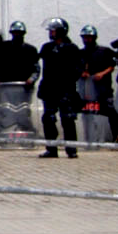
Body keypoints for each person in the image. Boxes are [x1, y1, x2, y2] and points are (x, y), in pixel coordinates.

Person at [36, 18, 82, 158]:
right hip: (49, 89)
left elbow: (77, 69)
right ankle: (51, 149)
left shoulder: (71, 48)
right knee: (48, 118)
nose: (51, 32)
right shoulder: (47, 47)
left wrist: (69, 83)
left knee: (67, 119)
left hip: (65, 89)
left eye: (53, 30)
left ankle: (71, 149)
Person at [77, 25, 118, 146]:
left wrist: (102, 74)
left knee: (112, 114)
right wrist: (82, 73)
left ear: (94, 37)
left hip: (103, 89)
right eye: (85, 37)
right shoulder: (80, 53)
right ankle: (91, 140)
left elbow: (111, 66)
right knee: (89, 116)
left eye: (89, 37)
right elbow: (76, 67)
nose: (87, 40)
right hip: (87, 91)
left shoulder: (104, 51)